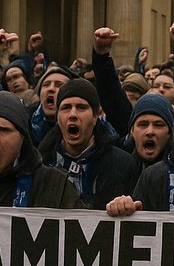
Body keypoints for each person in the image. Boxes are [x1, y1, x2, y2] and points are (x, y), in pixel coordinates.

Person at [39, 78, 132, 210]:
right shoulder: (42, 163)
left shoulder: (122, 165)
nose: (72, 115)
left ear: (95, 117)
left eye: (81, 107)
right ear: (57, 118)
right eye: (66, 108)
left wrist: (125, 205)